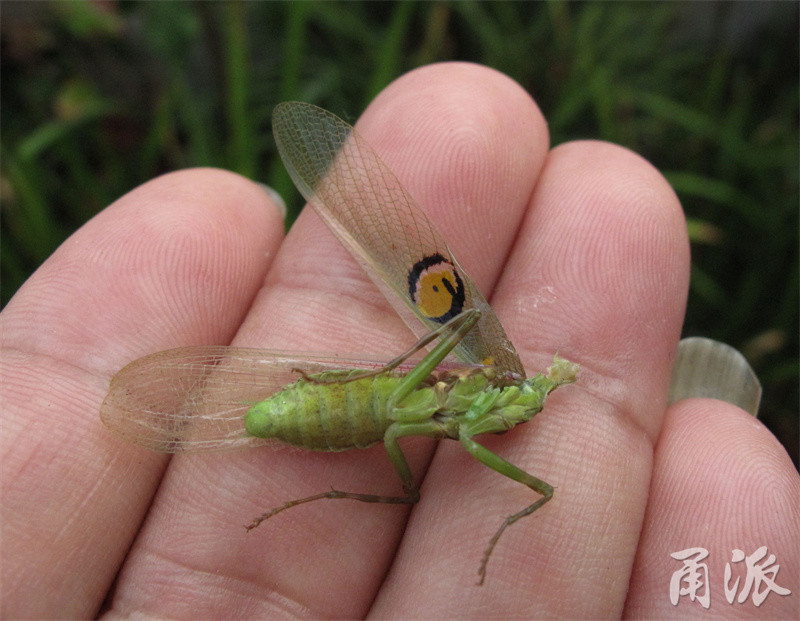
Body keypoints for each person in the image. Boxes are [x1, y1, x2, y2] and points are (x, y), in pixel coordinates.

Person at [2, 63, 797, 618]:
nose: (529, 399)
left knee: (410, 446)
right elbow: (451, 374)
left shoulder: (476, 415)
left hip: (373, 411)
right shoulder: (485, 378)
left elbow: (474, 442)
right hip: (358, 399)